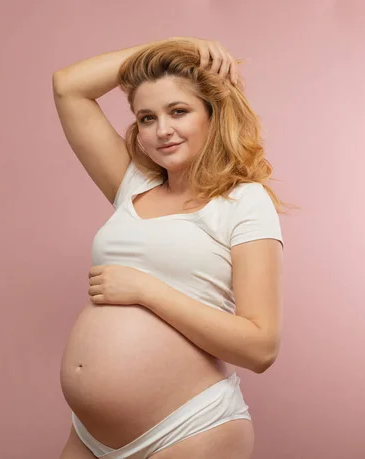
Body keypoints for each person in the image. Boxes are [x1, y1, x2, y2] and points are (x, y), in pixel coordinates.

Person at [53, 37, 288, 459]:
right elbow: (68, 86)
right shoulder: (132, 187)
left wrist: (146, 291)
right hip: (90, 436)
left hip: (189, 430)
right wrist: (176, 46)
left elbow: (261, 346)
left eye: (179, 111)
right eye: (146, 117)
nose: (162, 130)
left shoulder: (243, 201)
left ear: (213, 116)